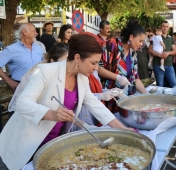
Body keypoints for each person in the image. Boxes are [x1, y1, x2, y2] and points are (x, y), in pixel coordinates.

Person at [0, 34, 134, 170]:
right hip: (27, 142)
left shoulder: (82, 79)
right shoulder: (45, 71)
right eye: (93, 63)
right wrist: (52, 114)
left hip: (54, 143)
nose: (95, 68)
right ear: (77, 58)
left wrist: (124, 130)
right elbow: (22, 103)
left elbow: (96, 106)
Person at [99, 20, 148, 113]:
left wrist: (146, 94)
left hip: (124, 100)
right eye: (140, 41)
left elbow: (135, 78)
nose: (141, 44)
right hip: (107, 97)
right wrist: (117, 77)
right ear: (131, 37)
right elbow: (98, 68)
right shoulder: (111, 45)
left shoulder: (133, 52)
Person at [8, 43, 69, 112]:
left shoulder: (57, 70)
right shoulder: (40, 72)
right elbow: (26, 103)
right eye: (65, 61)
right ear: (52, 60)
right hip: (20, 113)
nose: (67, 64)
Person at [0, 23, 44, 90]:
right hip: (21, 86)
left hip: (39, 84)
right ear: (25, 32)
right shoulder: (11, 49)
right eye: (34, 31)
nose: (36, 33)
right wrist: (9, 81)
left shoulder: (39, 48)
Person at [148, 21, 176, 87]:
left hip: (169, 65)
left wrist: (168, 53)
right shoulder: (156, 37)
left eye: (167, 27)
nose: (165, 28)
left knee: (174, 84)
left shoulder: (171, 38)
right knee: (160, 85)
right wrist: (159, 55)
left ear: (168, 28)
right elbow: (149, 50)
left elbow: (175, 51)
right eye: (163, 26)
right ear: (161, 27)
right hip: (158, 65)